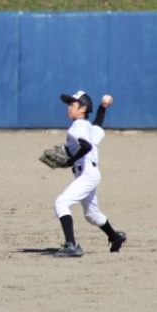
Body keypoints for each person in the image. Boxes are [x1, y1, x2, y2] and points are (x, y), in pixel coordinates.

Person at [53, 90, 126, 258]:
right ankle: (115, 237)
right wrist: (103, 107)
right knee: (91, 215)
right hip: (89, 173)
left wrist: (71, 160)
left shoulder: (77, 127)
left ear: (83, 109)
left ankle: (72, 245)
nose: (69, 107)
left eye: (72, 104)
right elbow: (98, 124)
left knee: (61, 203)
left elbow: (86, 146)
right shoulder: (88, 127)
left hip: (86, 174)